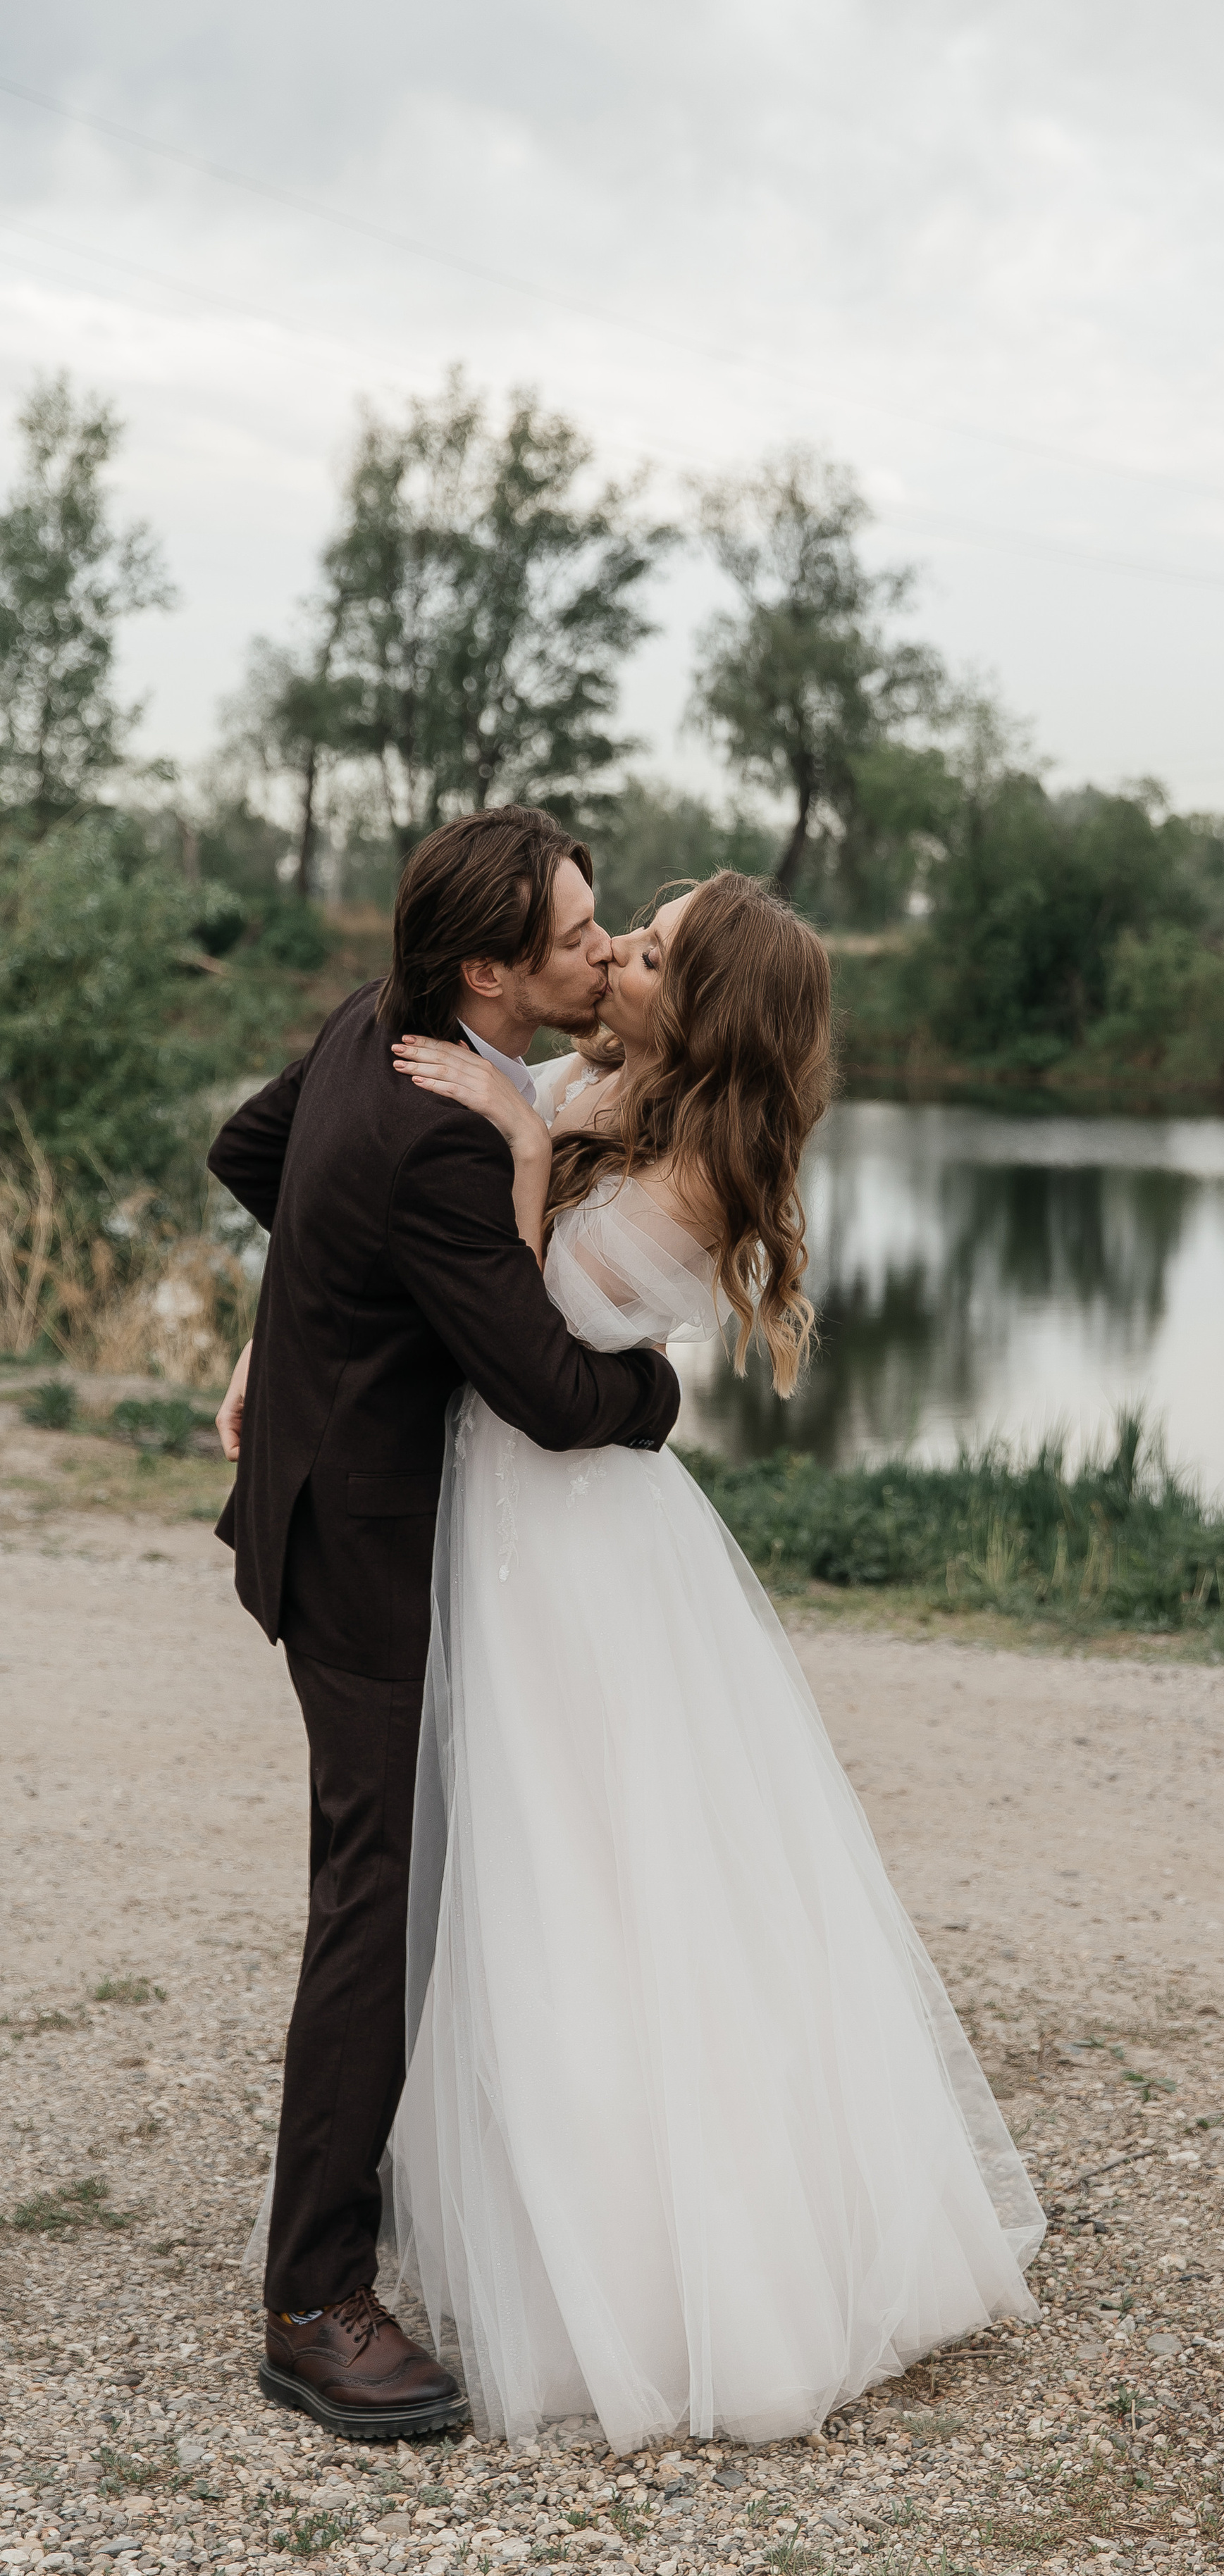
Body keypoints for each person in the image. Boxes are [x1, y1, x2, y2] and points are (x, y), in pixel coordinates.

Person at [383, 869, 1044, 2449]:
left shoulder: (700, 1173)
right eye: (628, 933)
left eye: (656, 951)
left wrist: (526, 1145)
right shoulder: (602, 1074)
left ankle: (682, 2268)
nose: (618, 956)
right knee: (537, 1874)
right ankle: (535, 2207)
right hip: (514, 1524)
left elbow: (529, 1335)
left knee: (611, 1880)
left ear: (708, 1007)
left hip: (577, 1541)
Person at [207, 807, 681, 2441]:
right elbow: (551, 1394)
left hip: (315, 1499)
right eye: (573, 937)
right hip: (362, 1553)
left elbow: (251, 1157)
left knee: (404, 1880)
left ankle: (400, 2189)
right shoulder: (446, 1138)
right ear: (486, 967)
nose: (600, 950)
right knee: (376, 1901)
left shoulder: (376, 1020)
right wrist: (661, 1391)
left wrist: (293, 1335)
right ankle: (311, 2303)